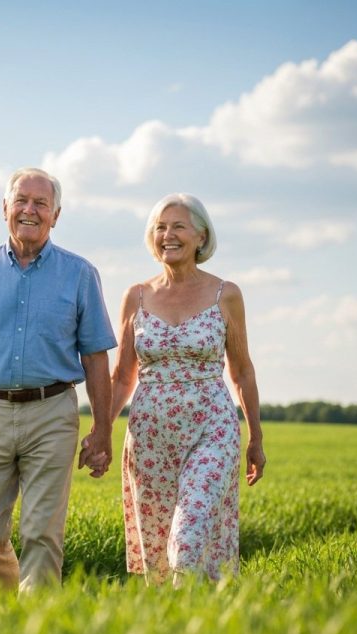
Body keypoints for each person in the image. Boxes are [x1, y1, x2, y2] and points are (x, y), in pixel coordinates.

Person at [0, 167, 116, 593]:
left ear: (56, 215)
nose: (30, 210)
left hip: (53, 412)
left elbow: (96, 357)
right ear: (5, 209)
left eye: (41, 203)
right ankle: (14, 610)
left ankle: (38, 631)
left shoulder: (80, 274)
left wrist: (102, 430)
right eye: (21, 201)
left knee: (41, 534)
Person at [110, 193, 266, 586]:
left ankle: (191, 610)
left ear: (201, 235)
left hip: (211, 430)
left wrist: (256, 438)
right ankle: (185, 630)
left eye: (178, 226)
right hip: (150, 436)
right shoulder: (137, 296)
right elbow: (121, 376)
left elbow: (242, 370)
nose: (168, 235)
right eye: (160, 227)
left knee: (188, 536)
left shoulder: (225, 294)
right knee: (159, 554)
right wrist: (99, 432)